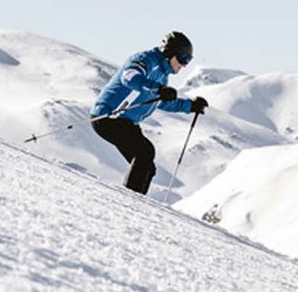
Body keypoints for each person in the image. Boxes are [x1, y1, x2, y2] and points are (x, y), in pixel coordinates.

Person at [89, 31, 209, 194]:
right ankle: (129, 199)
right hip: (108, 116)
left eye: (188, 61)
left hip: (126, 122)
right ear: (169, 53)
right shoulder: (147, 59)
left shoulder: (162, 76)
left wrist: (190, 106)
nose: (183, 65)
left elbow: (160, 102)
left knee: (147, 167)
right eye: (182, 59)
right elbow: (129, 77)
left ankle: (135, 200)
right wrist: (158, 89)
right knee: (145, 151)